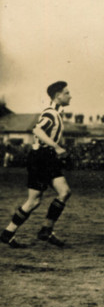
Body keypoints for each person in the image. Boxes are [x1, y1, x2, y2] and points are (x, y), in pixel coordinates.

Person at [0, 81, 73, 248]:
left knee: (64, 192)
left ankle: (45, 230)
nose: (70, 96)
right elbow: (37, 130)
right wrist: (56, 147)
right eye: (67, 93)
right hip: (40, 158)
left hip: (47, 157)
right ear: (58, 96)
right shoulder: (51, 113)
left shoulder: (56, 113)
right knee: (34, 201)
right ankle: (8, 233)